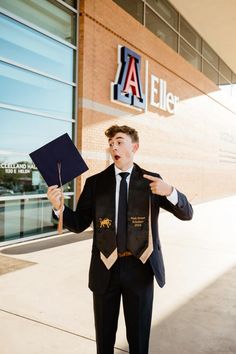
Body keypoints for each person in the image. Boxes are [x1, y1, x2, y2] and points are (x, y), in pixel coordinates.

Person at [47, 125, 193, 354]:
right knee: (104, 339)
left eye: (119, 141)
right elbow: (79, 223)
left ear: (134, 147)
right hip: (105, 268)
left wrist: (170, 191)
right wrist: (59, 208)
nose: (113, 146)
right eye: (111, 143)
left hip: (140, 268)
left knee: (138, 338)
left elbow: (187, 214)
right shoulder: (95, 183)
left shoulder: (151, 182)